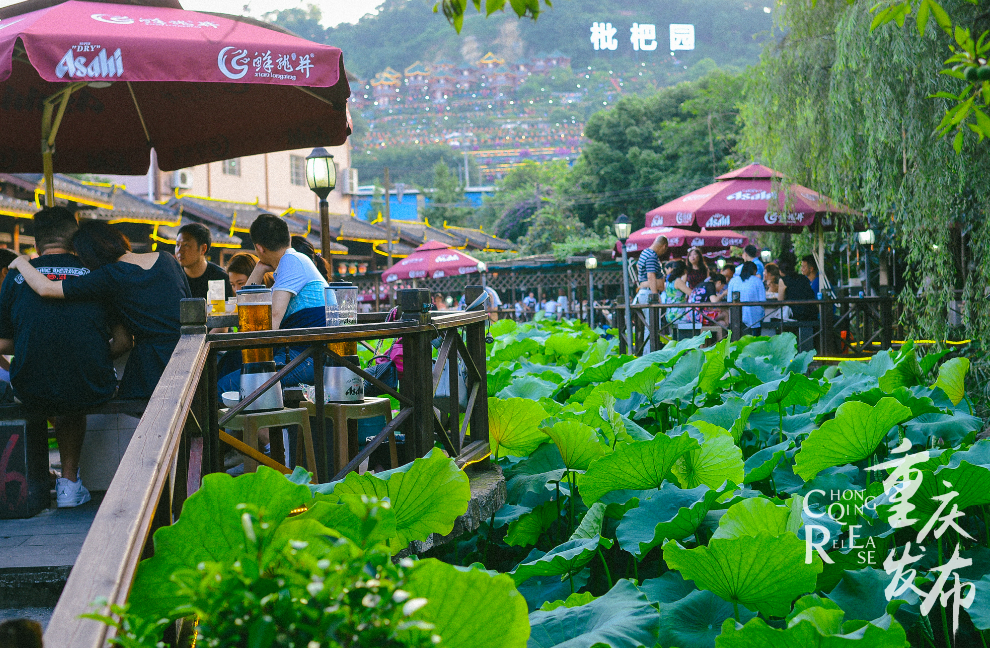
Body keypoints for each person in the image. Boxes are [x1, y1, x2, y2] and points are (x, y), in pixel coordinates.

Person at [0, 209, 132, 507]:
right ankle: (69, 482)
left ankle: (48, 476)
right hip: (91, 383)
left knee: (48, 385)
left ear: (36, 242)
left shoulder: (17, 276)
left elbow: (4, 340)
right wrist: (88, 356)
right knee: (69, 385)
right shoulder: (98, 272)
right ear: (76, 238)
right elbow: (124, 340)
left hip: (30, 386)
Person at [10, 220, 190, 402]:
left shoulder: (110, 275)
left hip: (156, 365)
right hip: (190, 355)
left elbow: (46, 288)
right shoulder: (167, 258)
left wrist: (21, 261)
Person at [218, 215, 329, 395]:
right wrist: (259, 268)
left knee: (222, 387)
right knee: (230, 365)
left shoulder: (292, 262)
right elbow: (245, 305)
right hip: (302, 354)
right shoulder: (292, 262)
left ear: (259, 248)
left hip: (309, 358)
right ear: (289, 238)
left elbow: (272, 323)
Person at [174, 223, 232, 301]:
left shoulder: (220, 278)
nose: (179, 250)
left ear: (203, 249)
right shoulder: (173, 278)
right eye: (177, 245)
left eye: (186, 245)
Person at [727, 261, 767, 335]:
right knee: (755, 340)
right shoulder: (757, 281)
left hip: (736, 318)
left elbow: (729, 300)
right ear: (754, 270)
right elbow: (762, 300)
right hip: (754, 317)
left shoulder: (733, 281)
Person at [778, 251, 818, 320]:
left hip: (796, 315)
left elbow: (780, 301)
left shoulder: (783, 281)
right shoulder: (803, 278)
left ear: (780, 271)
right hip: (811, 313)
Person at [634, 235, 668, 304]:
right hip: (649, 293)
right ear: (664, 246)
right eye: (665, 250)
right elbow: (651, 276)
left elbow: (638, 266)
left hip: (646, 291)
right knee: (652, 314)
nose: (663, 253)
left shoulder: (645, 252)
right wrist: (655, 295)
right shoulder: (652, 256)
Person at [662, 260, 691, 324]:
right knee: (697, 320)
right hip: (678, 315)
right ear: (684, 270)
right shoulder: (678, 281)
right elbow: (690, 293)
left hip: (670, 313)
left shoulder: (669, 281)